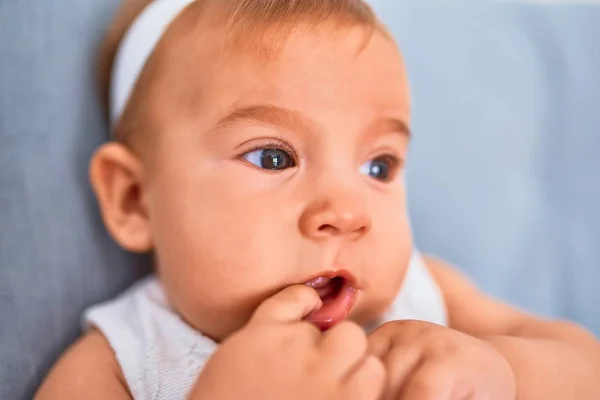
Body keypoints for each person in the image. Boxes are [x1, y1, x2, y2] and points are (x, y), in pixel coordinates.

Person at [36, 0, 600, 399]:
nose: (347, 213)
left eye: (378, 166)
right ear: (134, 201)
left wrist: (507, 372)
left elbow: (587, 367)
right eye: (274, 157)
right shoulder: (128, 357)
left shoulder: (424, 297)